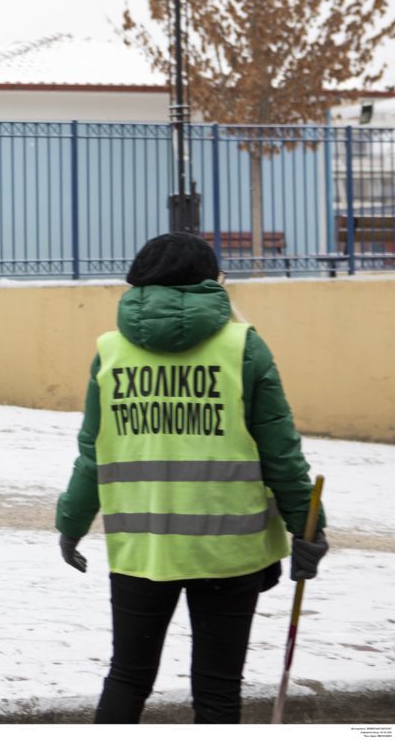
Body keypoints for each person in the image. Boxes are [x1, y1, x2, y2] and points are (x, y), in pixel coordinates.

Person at [54, 232, 329, 724]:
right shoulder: (243, 347)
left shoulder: (111, 352)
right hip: (228, 551)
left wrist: (71, 523)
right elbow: (281, 453)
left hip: (142, 550)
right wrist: (308, 525)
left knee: (128, 677)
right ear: (210, 282)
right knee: (218, 688)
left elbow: (92, 454)